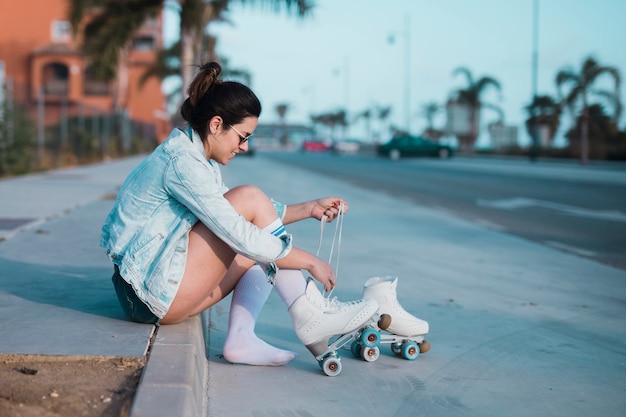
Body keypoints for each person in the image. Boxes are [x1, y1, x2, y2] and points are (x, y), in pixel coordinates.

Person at [100, 61, 378, 366]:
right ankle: (310, 314)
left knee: (256, 237)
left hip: (152, 295)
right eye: (242, 136)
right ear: (216, 125)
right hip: (148, 295)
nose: (244, 147)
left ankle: (242, 338)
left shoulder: (196, 158)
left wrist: (308, 209)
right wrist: (310, 261)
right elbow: (241, 225)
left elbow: (240, 216)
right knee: (250, 205)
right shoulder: (182, 162)